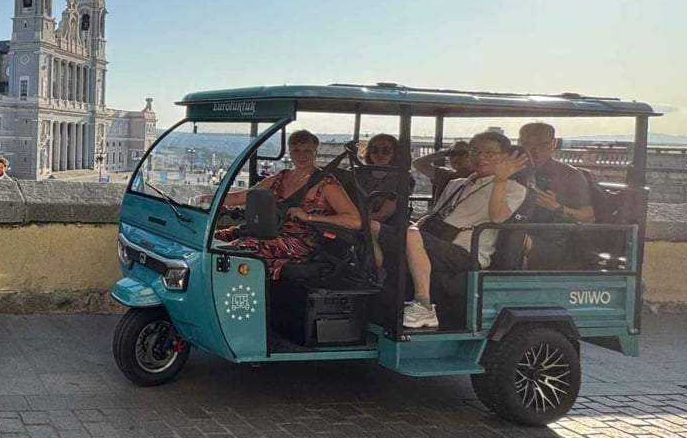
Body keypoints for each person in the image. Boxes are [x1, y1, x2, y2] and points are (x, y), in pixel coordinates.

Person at [401, 131, 528, 329]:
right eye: (475, 151)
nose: (480, 157)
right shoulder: (457, 184)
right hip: (437, 240)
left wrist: (501, 179)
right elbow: (434, 213)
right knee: (375, 230)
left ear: (505, 156)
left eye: (490, 153)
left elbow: (498, 217)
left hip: (467, 251)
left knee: (410, 236)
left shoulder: (513, 188)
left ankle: (423, 304)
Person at [215, 130, 361, 279]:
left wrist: (308, 217)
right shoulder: (280, 178)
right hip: (268, 232)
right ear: (290, 152)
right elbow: (243, 196)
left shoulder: (327, 184)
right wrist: (206, 200)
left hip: (302, 241)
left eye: (307, 151)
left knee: (238, 249)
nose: (301, 155)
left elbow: (354, 221)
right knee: (215, 239)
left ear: (315, 153)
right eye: (296, 150)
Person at [518, 122, 594, 269]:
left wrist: (556, 207)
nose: (536, 151)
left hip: (551, 240)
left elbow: (588, 216)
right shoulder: (513, 170)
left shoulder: (569, 175)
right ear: (520, 143)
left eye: (543, 145)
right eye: (529, 145)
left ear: (554, 143)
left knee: (515, 240)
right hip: (511, 227)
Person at [354, 133, 403, 267]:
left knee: (370, 229)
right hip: (356, 218)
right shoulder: (357, 173)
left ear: (394, 154)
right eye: (375, 150)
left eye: (386, 151)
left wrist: (354, 219)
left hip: (386, 226)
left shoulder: (401, 179)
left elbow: (383, 215)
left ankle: (375, 272)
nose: (379, 154)